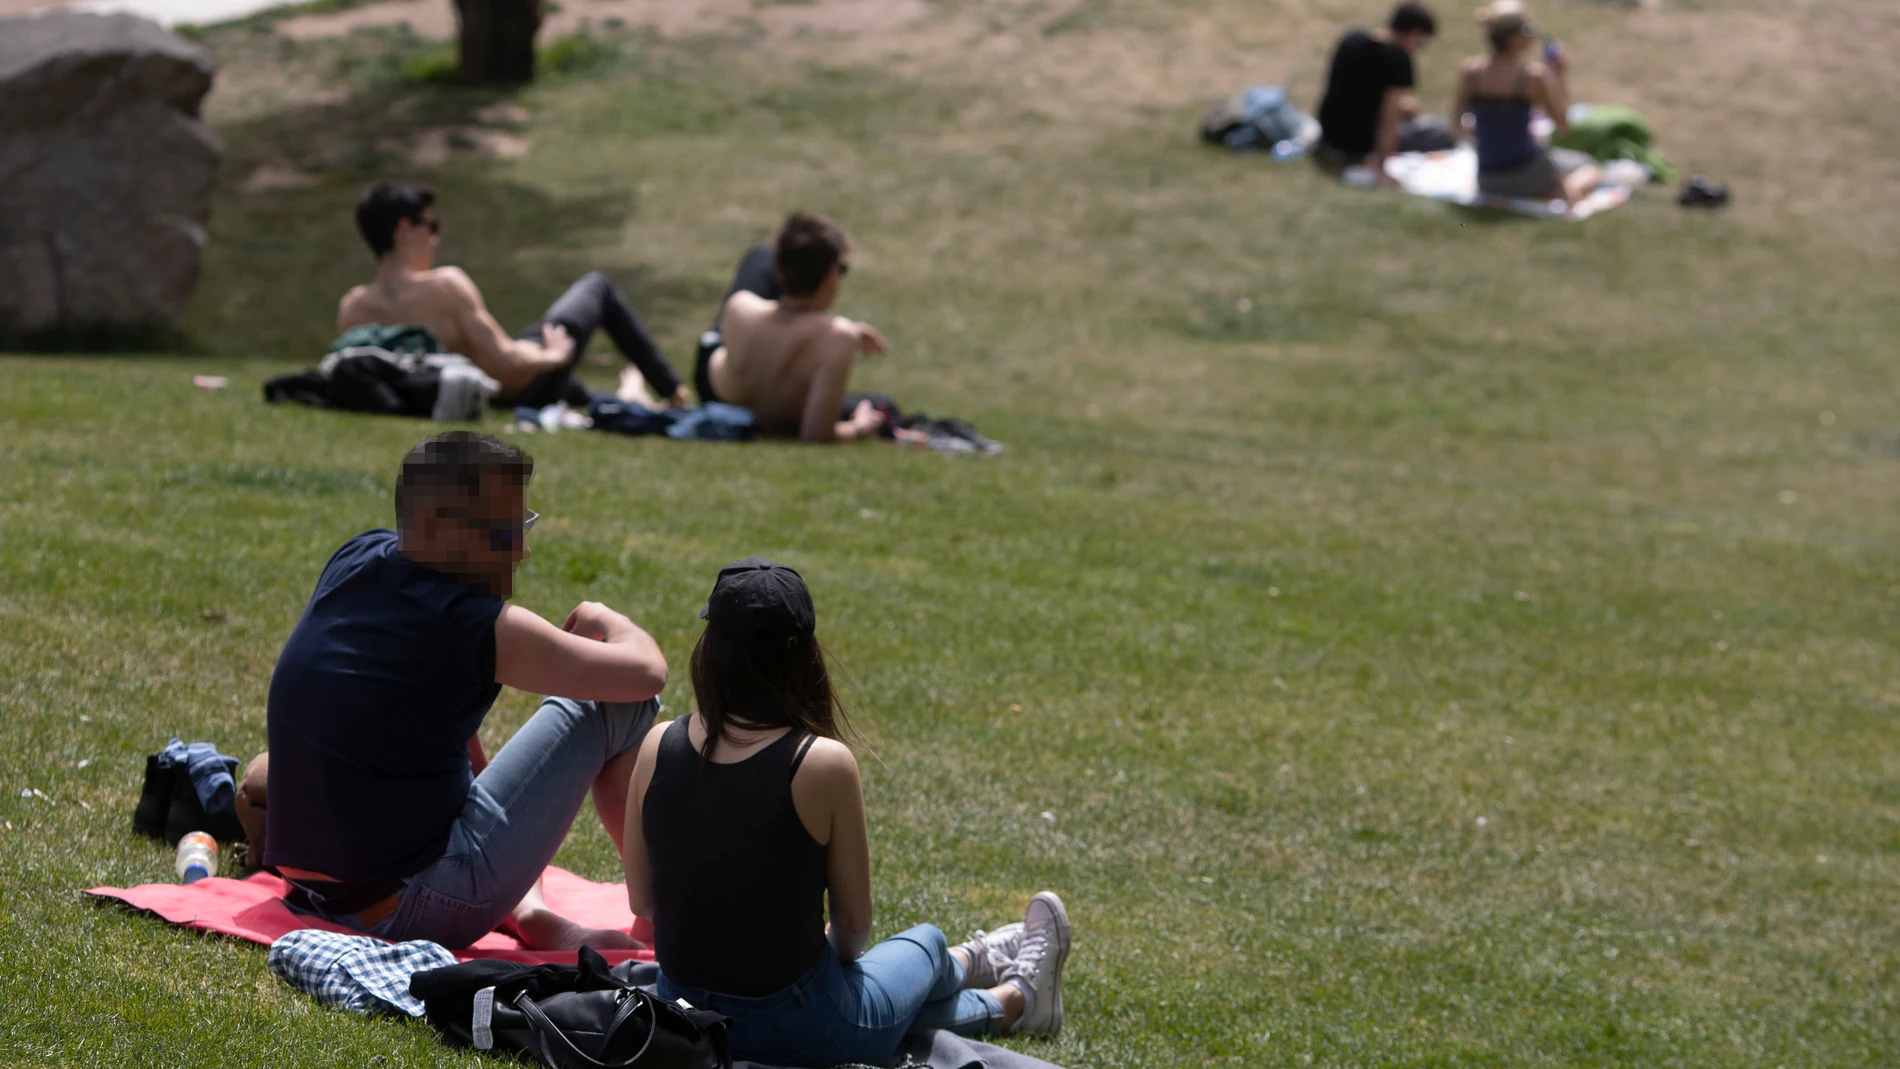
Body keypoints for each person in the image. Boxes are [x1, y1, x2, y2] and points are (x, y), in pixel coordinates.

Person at [622, 559, 1073, 1065]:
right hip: (796, 1025)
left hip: (682, 1014)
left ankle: (1010, 996)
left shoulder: (658, 744)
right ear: (804, 660)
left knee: (877, 999)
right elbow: (853, 930)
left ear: (709, 652)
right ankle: (978, 969)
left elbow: (642, 901)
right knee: (924, 944)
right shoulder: (819, 763)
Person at [244, 431, 669, 950]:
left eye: (523, 524)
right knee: (617, 704)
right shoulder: (475, 623)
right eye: (504, 531)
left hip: (310, 894)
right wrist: (609, 616)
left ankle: (524, 907)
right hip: (415, 910)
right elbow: (646, 673)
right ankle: (662, 924)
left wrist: (509, 842)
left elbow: (430, 717)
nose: (521, 549)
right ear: (433, 525)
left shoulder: (357, 559)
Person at [335, 181, 692, 411]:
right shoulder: (444, 286)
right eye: (431, 227)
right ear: (404, 229)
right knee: (596, 287)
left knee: (570, 384)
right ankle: (675, 394)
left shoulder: (352, 309)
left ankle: (628, 399)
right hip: (518, 388)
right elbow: (506, 362)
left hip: (470, 397)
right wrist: (554, 357)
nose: (435, 239)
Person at [693, 213, 894, 444]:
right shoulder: (838, 336)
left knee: (758, 255)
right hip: (777, 417)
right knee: (881, 405)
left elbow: (779, 336)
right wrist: (859, 428)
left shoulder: (739, 305)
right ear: (830, 274)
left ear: (778, 268)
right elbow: (816, 435)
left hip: (716, 396)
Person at [1451, 1, 1602, 206]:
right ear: (1516, 38)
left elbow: (1456, 126)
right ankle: (1566, 192)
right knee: (1589, 167)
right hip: (1529, 173)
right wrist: (1559, 76)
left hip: (1487, 178)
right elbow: (1564, 125)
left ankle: (1557, 189)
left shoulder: (1471, 72)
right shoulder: (1532, 77)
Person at [1314, 2, 1442, 176]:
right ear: (1414, 33)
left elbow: (1354, 91)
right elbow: (1389, 120)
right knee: (1441, 132)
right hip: (1360, 144)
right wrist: (1381, 166)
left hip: (1330, 135)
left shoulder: (1353, 39)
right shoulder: (1398, 60)